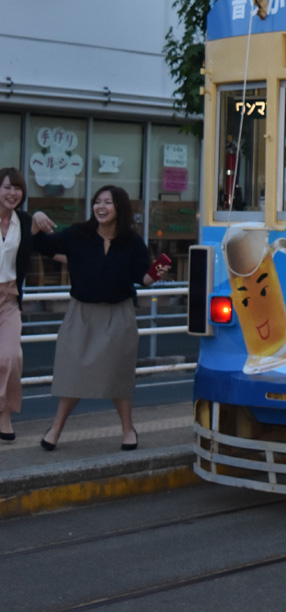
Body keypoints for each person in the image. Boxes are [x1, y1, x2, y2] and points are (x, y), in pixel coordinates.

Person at [30, 185, 169, 451]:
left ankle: (128, 430)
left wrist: (154, 275)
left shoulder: (131, 241)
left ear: (120, 208)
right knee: (72, 374)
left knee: (118, 375)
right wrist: (36, 219)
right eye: (97, 202)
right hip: (81, 313)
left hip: (118, 315)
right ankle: (55, 429)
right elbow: (42, 244)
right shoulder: (78, 234)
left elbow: (142, 278)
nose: (101, 207)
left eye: (108, 202)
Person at [0, 167, 45, 441]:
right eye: (6, 187)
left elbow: (54, 248)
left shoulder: (26, 221)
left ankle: (3, 414)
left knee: (11, 357)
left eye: (17, 188)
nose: (12, 193)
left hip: (9, 298)